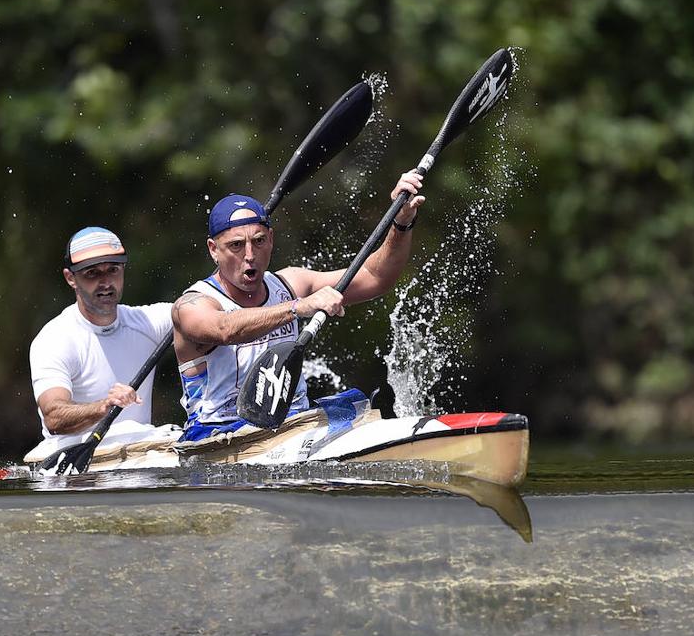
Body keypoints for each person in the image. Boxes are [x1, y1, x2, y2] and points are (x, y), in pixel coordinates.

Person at [171, 172, 425, 440]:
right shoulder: (191, 305)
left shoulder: (291, 282)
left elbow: (376, 277)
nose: (249, 255)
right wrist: (297, 307)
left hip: (293, 424)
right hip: (218, 435)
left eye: (258, 241)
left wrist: (401, 223)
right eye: (236, 245)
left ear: (270, 238)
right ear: (213, 249)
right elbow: (225, 329)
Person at [29, 227, 173, 449]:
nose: (106, 282)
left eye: (113, 270)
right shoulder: (54, 339)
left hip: (139, 456)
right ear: (71, 278)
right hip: (74, 468)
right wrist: (105, 406)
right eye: (92, 273)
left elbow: (210, 312)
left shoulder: (148, 322)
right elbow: (54, 418)